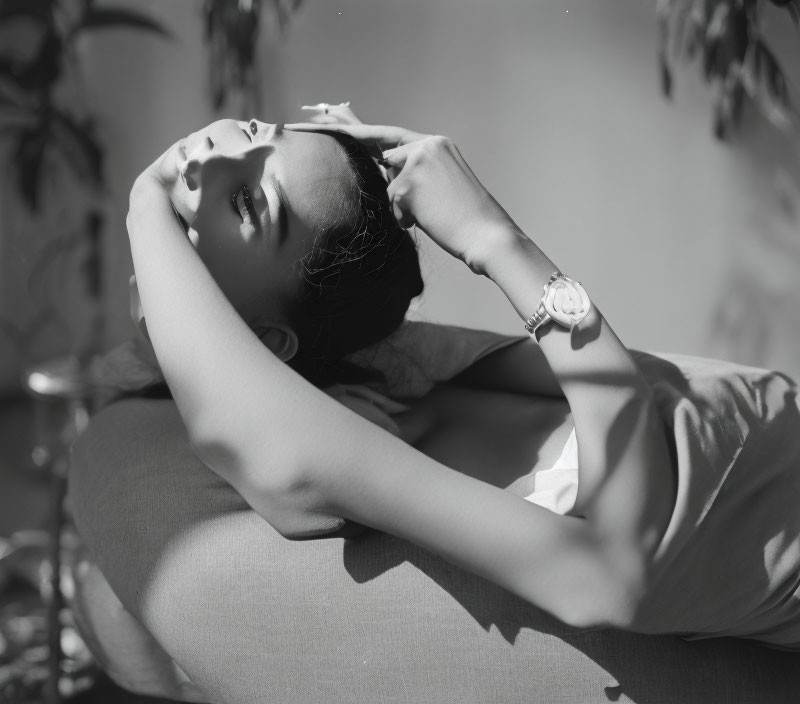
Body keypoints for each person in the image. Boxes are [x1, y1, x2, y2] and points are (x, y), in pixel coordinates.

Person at [69, 105, 800, 700]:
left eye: (262, 133)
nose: (202, 154)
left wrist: (493, 235)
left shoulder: (412, 364)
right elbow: (607, 576)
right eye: (246, 202)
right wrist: (143, 202)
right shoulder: (322, 438)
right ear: (271, 340)